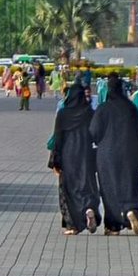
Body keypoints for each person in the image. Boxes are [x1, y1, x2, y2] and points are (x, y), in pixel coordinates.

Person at [90, 74, 138, 235]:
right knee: (130, 183)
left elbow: (94, 132)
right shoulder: (130, 108)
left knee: (109, 187)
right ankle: (131, 209)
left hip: (107, 154)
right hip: (130, 152)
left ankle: (113, 225)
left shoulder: (103, 108)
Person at [48, 80, 100, 235]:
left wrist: (54, 161)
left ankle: (73, 225)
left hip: (68, 155)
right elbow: (95, 134)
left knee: (69, 189)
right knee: (87, 185)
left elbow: (58, 137)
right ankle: (89, 208)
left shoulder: (63, 113)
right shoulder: (89, 112)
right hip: (86, 154)